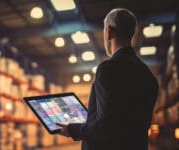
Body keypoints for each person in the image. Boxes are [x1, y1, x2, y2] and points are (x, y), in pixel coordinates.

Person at [56, 8, 159, 150]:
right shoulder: (148, 76)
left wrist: (73, 129)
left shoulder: (108, 69)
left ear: (109, 32)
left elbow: (105, 126)